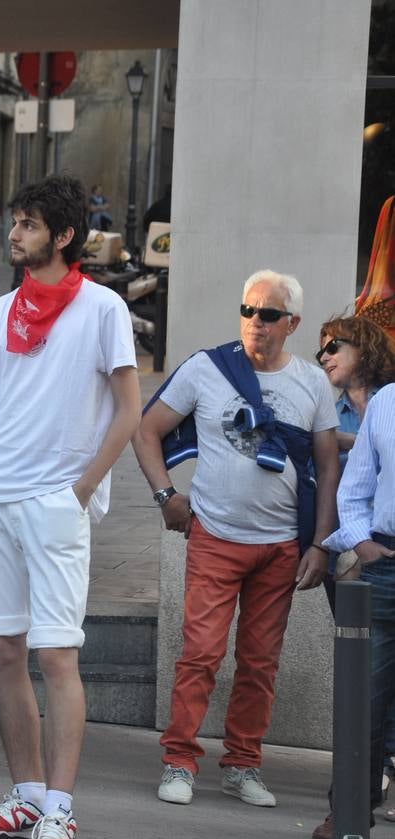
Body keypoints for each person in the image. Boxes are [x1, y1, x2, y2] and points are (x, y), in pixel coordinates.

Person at [0, 176, 140, 839]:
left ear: (62, 236)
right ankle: (25, 795)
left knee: (56, 654)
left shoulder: (101, 309)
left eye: (28, 225)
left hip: (53, 500)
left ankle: (58, 812)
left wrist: (82, 487)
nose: (14, 235)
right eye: (14, 224)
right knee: (3, 652)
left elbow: (127, 409)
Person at [134, 270, 338, 809]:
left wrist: (319, 544)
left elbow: (326, 466)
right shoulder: (207, 368)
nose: (255, 323)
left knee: (260, 661)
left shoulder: (313, 383)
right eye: (248, 310)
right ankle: (179, 759)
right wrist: (165, 496)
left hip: (279, 547)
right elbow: (146, 428)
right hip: (215, 536)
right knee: (200, 653)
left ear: (291, 323)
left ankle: (243, 764)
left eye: (268, 314)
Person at [299, 316, 395, 839]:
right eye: (320, 351)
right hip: (378, 559)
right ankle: (352, 807)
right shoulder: (373, 405)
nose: (325, 357)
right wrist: (356, 542)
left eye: (334, 347)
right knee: (365, 689)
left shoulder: (377, 398)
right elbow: (352, 489)